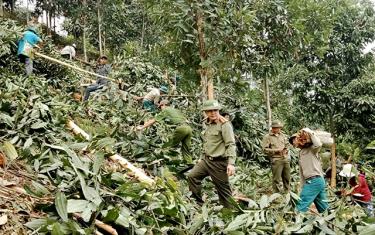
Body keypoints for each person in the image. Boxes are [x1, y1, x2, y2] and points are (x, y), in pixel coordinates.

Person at [187, 100, 236, 208]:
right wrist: (201, 158)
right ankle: (198, 205)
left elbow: (230, 144)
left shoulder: (225, 125)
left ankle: (230, 213)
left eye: (215, 110)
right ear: (205, 112)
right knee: (192, 177)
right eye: (210, 111)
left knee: (224, 191)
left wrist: (231, 163)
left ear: (218, 110)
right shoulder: (206, 123)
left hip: (219, 163)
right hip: (206, 160)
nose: (213, 113)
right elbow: (207, 142)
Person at [289, 128, 329, 213]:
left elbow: (318, 144)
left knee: (302, 202)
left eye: (295, 139)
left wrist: (310, 132)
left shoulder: (312, 149)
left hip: (315, 180)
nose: (294, 142)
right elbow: (302, 172)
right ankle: (332, 221)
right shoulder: (301, 153)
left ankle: (296, 220)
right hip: (315, 181)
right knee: (323, 206)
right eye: (292, 142)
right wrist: (303, 185)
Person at [261, 120, 290, 193]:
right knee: (276, 179)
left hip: (285, 158)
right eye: (277, 128)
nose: (279, 129)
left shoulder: (282, 135)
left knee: (287, 177)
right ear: (273, 128)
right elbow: (264, 149)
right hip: (276, 160)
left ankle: (287, 192)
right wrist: (277, 150)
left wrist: (286, 149)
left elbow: (287, 144)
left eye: (280, 128)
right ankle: (276, 194)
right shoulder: (267, 137)